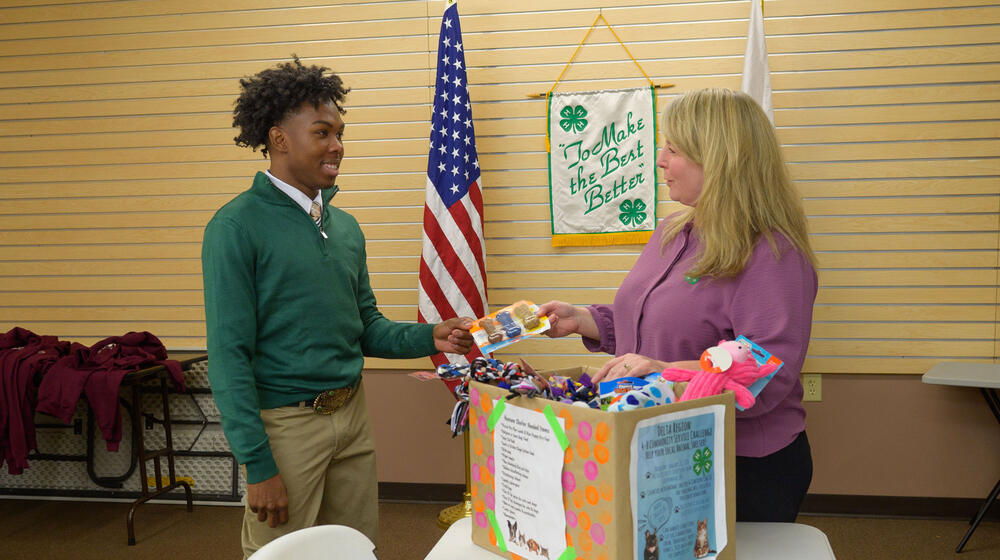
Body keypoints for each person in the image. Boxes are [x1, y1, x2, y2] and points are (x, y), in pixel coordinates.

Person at [201, 58, 475, 557]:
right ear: (280, 139)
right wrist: (258, 464)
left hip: (352, 415)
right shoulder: (235, 228)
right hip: (286, 427)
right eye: (323, 133)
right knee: (283, 553)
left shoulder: (345, 226)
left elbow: (365, 326)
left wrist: (429, 336)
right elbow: (228, 356)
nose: (338, 147)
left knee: (353, 548)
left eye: (340, 133)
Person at [538, 88, 817, 523]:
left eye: (674, 149)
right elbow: (652, 327)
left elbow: (765, 372)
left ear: (720, 158)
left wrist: (664, 372)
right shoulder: (672, 230)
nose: (660, 160)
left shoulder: (771, 253)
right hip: (662, 442)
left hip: (738, 462)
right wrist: (584, 321)